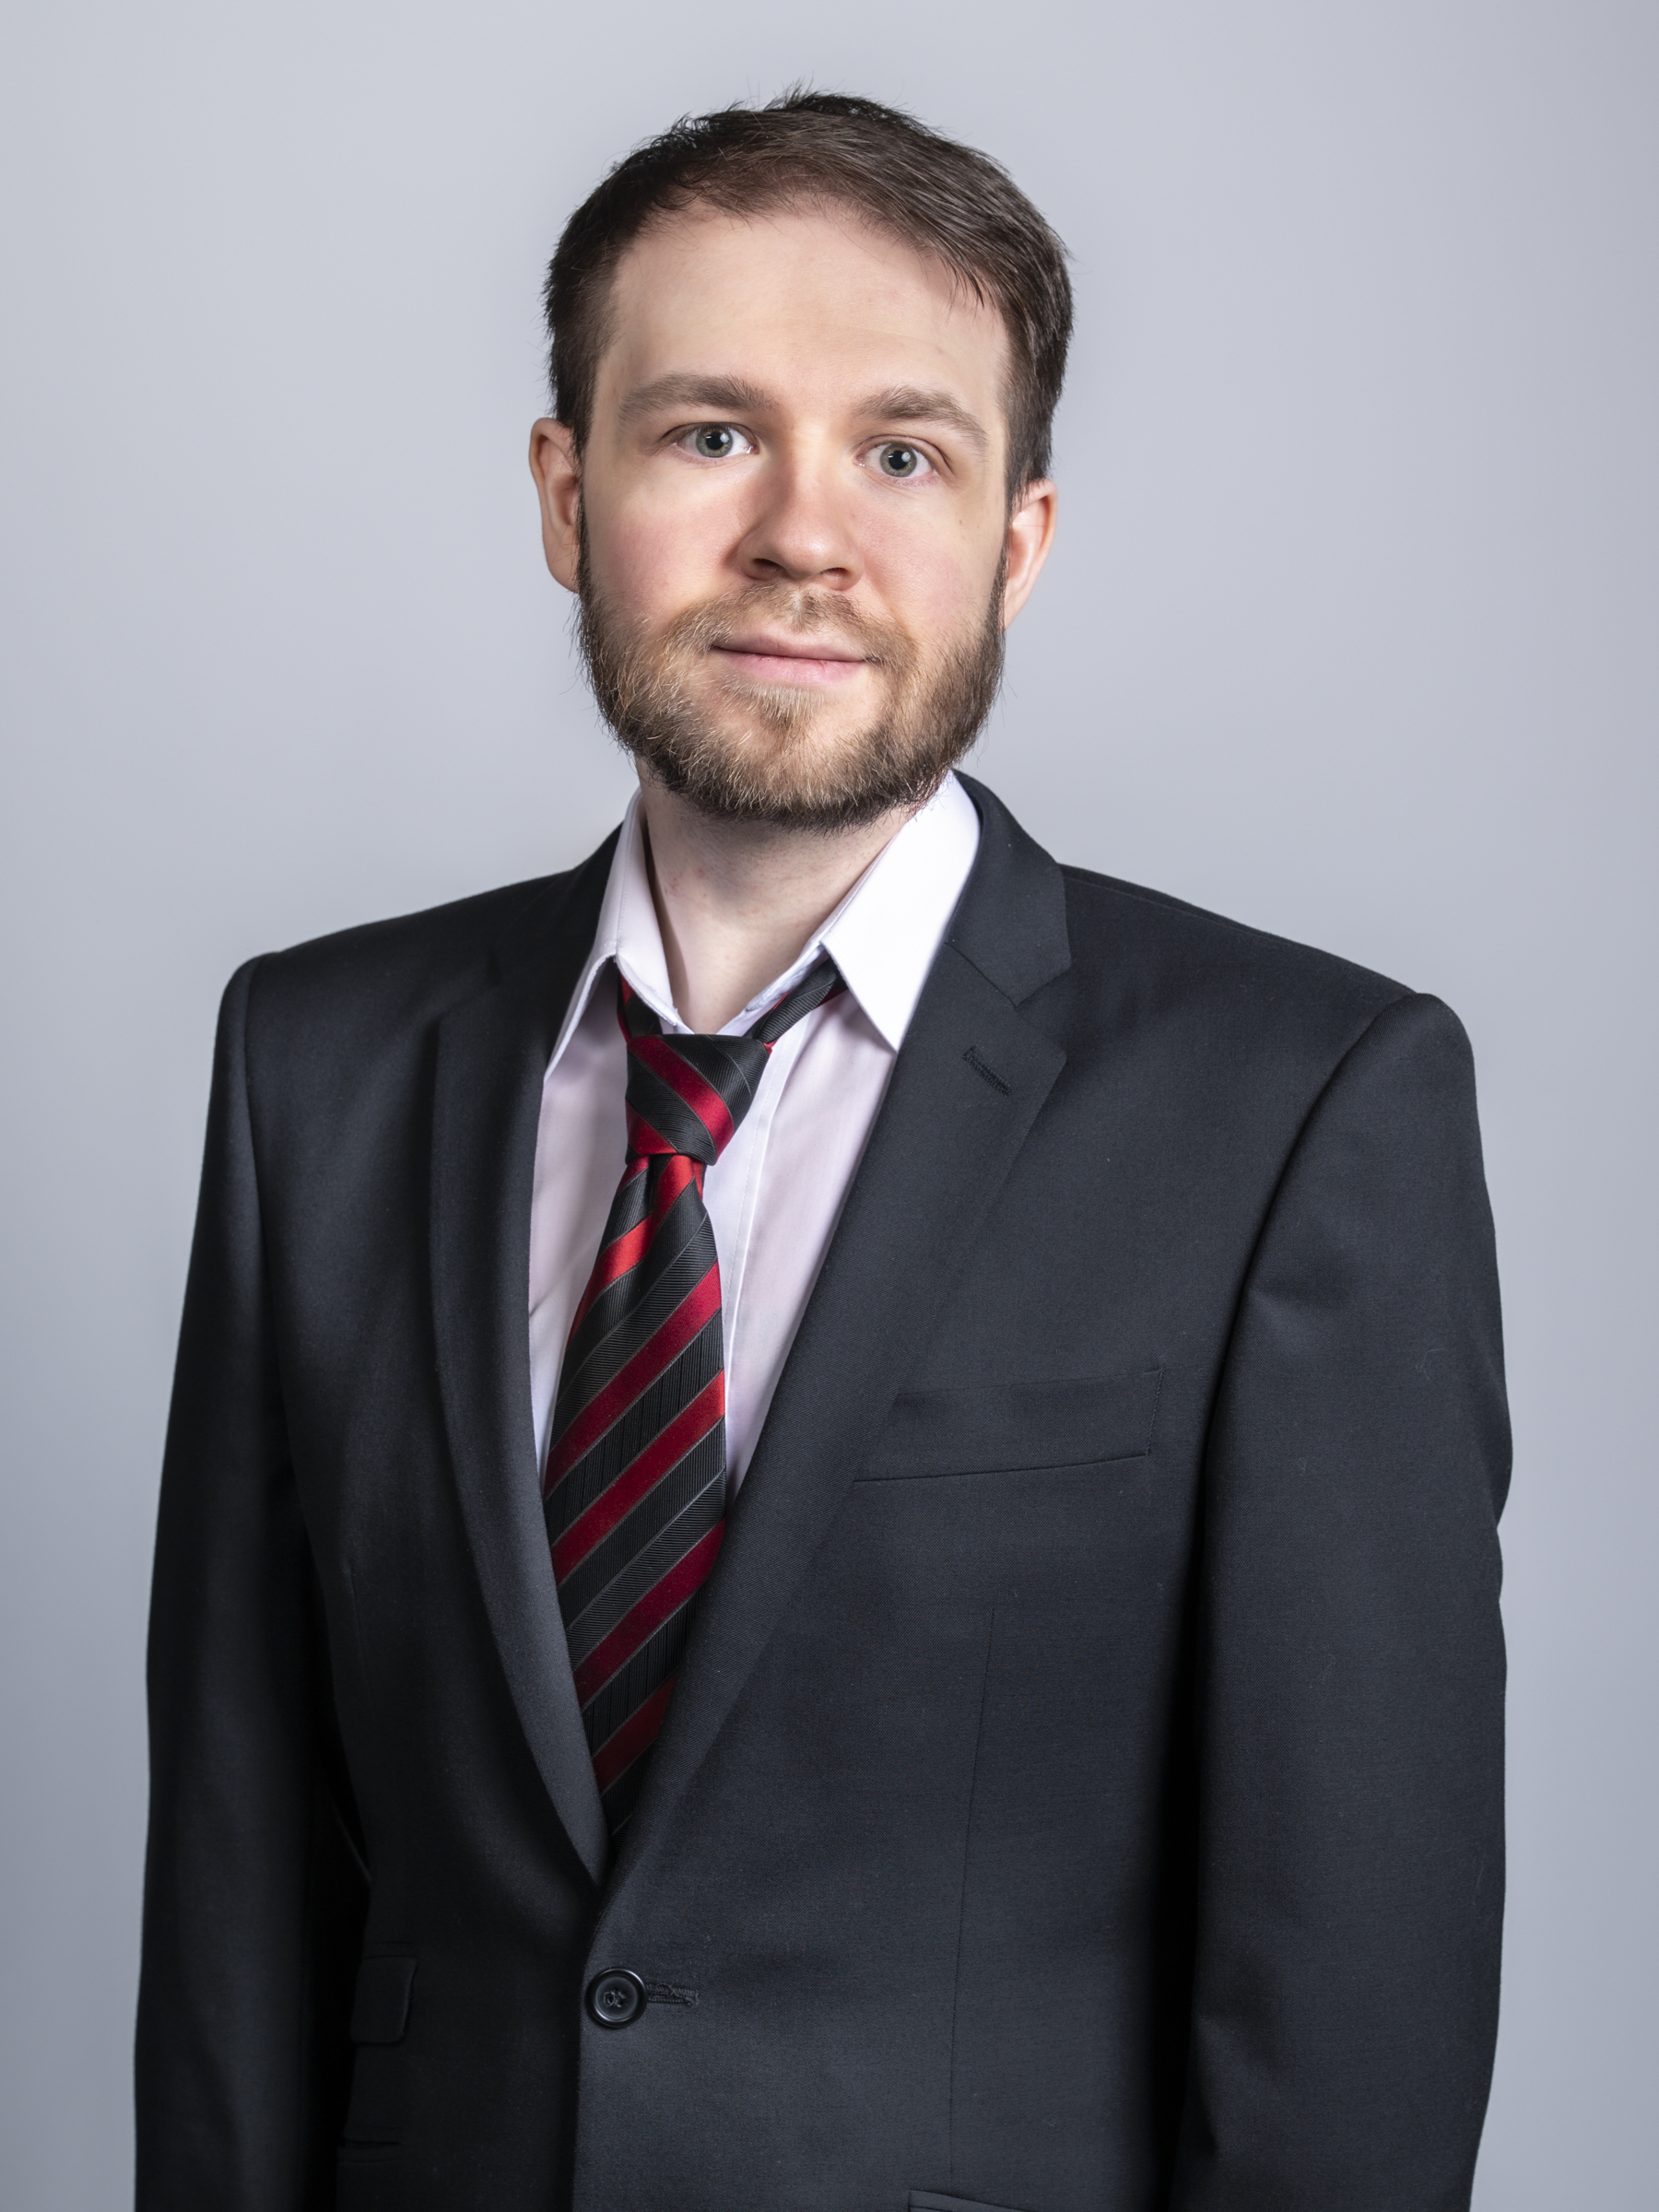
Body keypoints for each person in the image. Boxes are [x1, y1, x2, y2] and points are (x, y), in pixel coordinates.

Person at [135, 90, 1509, 2212]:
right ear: (565, 492)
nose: (801, 534)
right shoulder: (314, 1065)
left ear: (1018, 543)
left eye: (902, 452)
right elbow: (239, 1879)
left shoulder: (1302, 1107)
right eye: (710, 435)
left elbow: (1354, 2007)